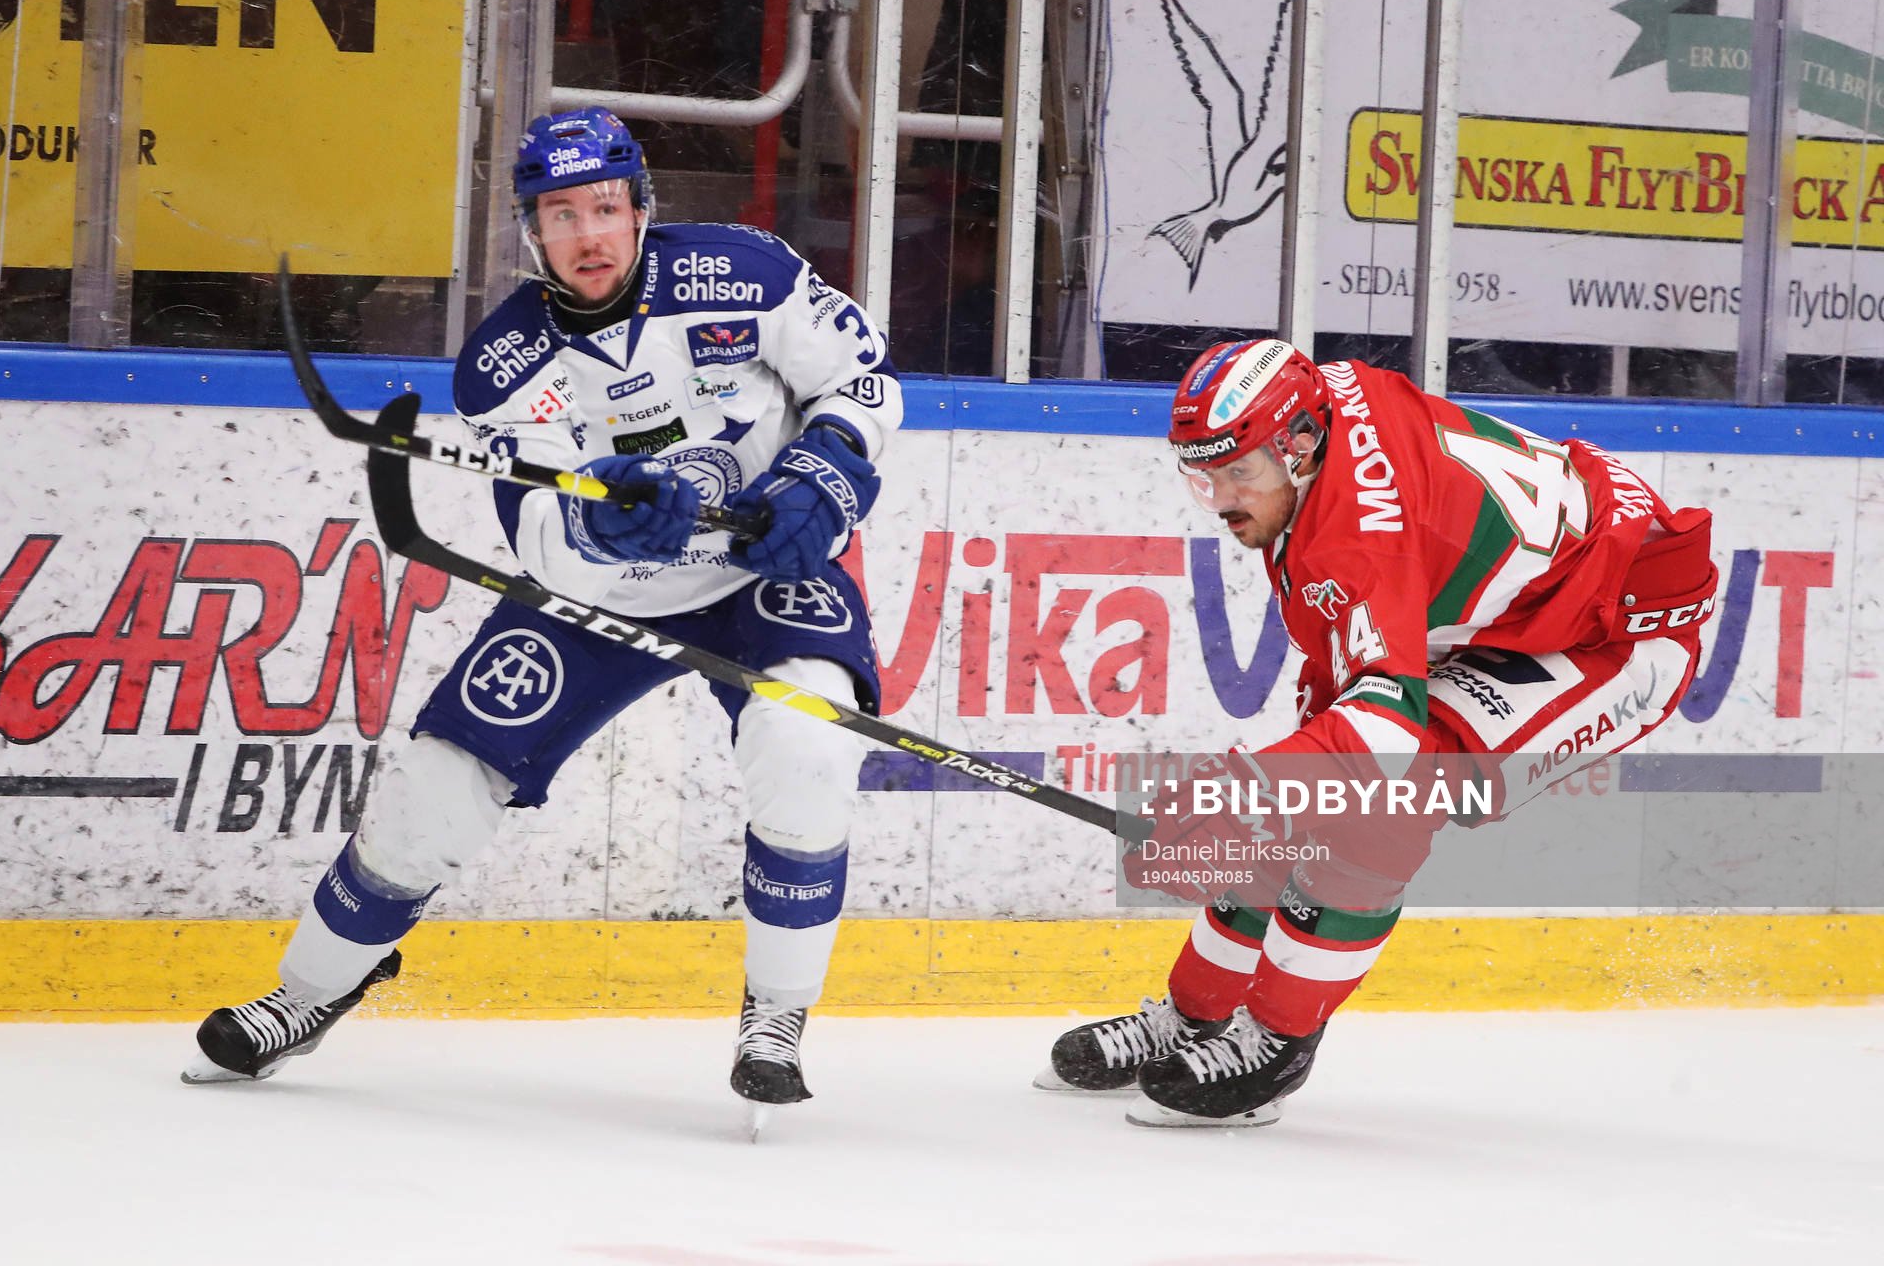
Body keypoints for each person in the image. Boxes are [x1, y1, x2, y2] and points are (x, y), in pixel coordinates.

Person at [183, 107, 903, 1115]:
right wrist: (607, 527)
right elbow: (543, 539)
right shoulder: (503, 362)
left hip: (762, 570)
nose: (590, 235)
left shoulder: (748, 270)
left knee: (808, 747)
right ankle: (309, 990)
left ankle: (777, 1009)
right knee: (435, 784)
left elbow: (861, 382)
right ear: (531, 231)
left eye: (606, 207)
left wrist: (820, 483)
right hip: (607, 600)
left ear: (643, 208)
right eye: (561, 215)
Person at [1037, 339, 1716, 1126]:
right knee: (1303, 793)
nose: (1222, 499)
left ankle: (1277, 1043)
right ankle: (1194, 1016)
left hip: (1610, 633)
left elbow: (1388, 734)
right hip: (1505, 595)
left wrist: (1242, 788)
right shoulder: (1314, 417)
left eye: (1239, 473)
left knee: (1381, 804)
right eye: (1204, 476)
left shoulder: (1357, 534)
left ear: (1298, 445)